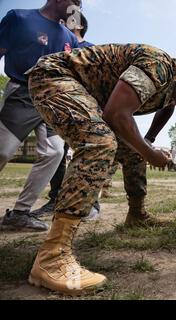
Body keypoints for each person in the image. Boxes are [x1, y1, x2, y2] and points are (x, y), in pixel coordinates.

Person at [26, 44, 176, 294]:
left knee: (133, 146)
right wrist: (150, 153)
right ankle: (52, 257)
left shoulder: (171, 86)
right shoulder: (159, 66)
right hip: (54, 77)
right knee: (100, 142)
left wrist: (148, 142)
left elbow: (166, 106)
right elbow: (117, 114)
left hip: (87, 94)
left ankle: (136, 215)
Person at [0, 0, 80, 231]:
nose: (77, 8)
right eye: (74, 2)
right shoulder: (19, 18)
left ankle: (20, 213)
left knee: (55, 152)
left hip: (52, 100)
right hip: (22, 92)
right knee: (3, 151)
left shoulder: (70, 38)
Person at [31, 10, 100, 218]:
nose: (60, 21)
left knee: (88, 153)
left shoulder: (91, 49)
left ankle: (90, 203)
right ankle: (55, 199)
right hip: (58, 106)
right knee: (57, 153)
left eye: (66, 20)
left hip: (84, 109)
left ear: (78, 25)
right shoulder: (58, 45)